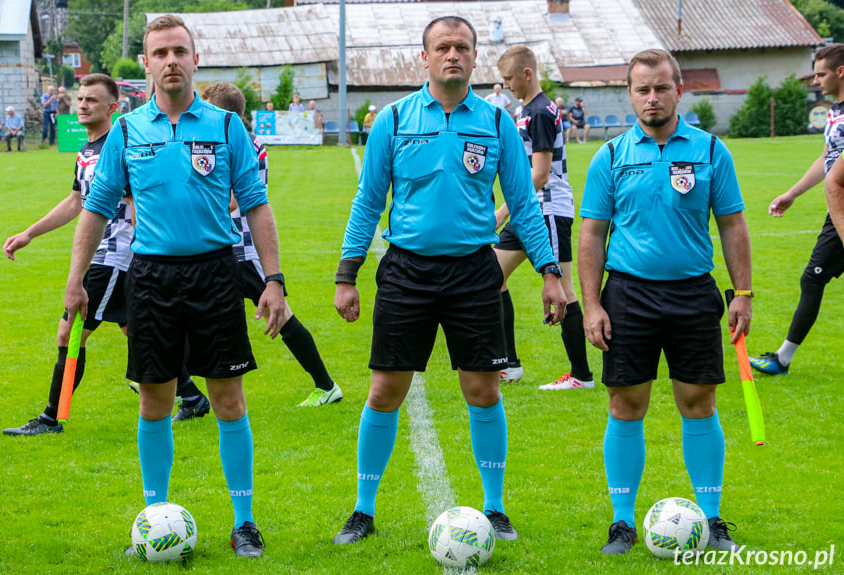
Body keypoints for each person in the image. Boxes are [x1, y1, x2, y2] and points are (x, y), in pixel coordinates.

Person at [331, 15, 566, 545]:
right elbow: (368, 202)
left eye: (462, 46)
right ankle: (363, 509)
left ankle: (495, 507)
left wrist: (551, 272)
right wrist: (348, 273)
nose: (452, 54)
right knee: (386, 389)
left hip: (473, 272)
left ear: (475, 56)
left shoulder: (497, 123)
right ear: (425, 57)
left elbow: (525, 204)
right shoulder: (392, 120)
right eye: (442, 47)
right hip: (406, 271)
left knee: (482, 390)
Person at [63, 15, 284, 558]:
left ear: (195, 58)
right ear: (146, 64)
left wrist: (273, 281)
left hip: (214, 272)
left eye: (179, 51)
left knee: (228, 399)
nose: (171, 62)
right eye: (160, 53)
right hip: (153, 278)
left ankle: (245, 522)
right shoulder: (127, 131)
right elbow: (94, 208)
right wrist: (75, 281)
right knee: (154, 401)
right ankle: (153, 516)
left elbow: (256, 205)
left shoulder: (227, 127)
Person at [578, 48, 750, 555]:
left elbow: (732, 223)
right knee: (625, 404)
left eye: (661, 87)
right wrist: (592, 304)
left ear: (679, 90)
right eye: (641, 89)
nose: (652, 97)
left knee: (699, 403)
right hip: (628, 295)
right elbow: (591, 234)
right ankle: (623, 522)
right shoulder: (609, 155)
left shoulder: (711, 149)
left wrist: (742, 293)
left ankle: (714, 519)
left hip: (694, 293)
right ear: (630, 94)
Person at [2, 75, 136, 435]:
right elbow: (76, 201)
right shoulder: (86, 151)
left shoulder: (120, 148)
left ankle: (50, 418)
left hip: (113, 255)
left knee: (68, 333)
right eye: (79, 99)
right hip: (103, 255)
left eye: (92, 100)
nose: (82, 105)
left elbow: (137, 204)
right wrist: (30, 233)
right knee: (133, 329)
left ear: (112, 107)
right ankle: (191, 396)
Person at [203, 82, 342, 407]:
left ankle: (325, 385)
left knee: (280, 317)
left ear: (221, 112)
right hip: (227, 247)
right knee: (199, 315)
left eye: (206, 107)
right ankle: (183, 390)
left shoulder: (243, 144)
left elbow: (237, 198)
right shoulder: (239, 141)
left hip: (241, 249)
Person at [494, 45, 593, 390]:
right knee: (493, 273)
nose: (505, 85)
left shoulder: (539, 111)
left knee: (564, 290)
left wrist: (501, 214)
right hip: (529, 210)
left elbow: (539, 174)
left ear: (527, 74)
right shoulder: (527, 109)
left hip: (547, 209)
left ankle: (581, 375)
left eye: (508, 79)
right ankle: (508, 364)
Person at [747, 43, 844, 376]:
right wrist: (792, 194)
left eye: (821, 74)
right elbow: (826, 160)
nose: (815, 80)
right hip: (838, 208)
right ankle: (783, 358)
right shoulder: (835, 113)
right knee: (812, 279)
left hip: (841, 209)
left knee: (812, 278)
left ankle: (783, 359)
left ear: (841, 72)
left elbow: (836, 180)